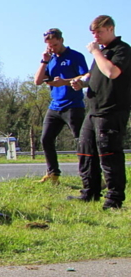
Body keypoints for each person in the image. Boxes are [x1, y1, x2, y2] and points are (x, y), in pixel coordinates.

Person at [69, 15, 131, 209]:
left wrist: (96, 53)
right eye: (93, 33)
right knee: (85, 151)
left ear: (111, 29)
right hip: (93, 110)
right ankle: (90, 192)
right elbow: (96, 74)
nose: (95, 37)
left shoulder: (122, 50)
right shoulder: (102, 53)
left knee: (109, 153)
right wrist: (82, 82)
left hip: (112, 110)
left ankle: (114, 199)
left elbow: (112, 72)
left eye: (99, 32)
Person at [33, 28, 88, 183]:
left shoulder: (76, 56)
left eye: (55, 45)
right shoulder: (50, 59)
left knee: (82, 140)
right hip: (55, 106)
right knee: (46, 139)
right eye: (50, 46)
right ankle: (53, 173)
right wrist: (44, 61)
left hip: (73, 105)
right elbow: (37, 81)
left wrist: (64, 82)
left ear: (62, 40)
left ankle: (90, 174)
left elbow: (85, 76)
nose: (53, 49)